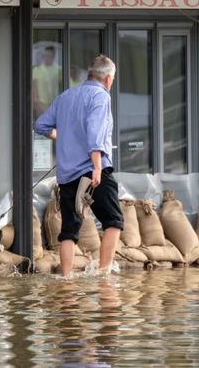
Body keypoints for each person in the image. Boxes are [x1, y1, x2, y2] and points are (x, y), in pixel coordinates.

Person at [34, 55, 123, 276]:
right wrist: (97, 167)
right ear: (108, 79)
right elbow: (95, 133)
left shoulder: (66, 96)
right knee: (114, 221)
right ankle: (104, 274)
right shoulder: (100, 96)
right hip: (91, 172)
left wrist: (61, 137)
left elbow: (41, 125)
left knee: (68, 230)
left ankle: (66, 279)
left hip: (67, 176)